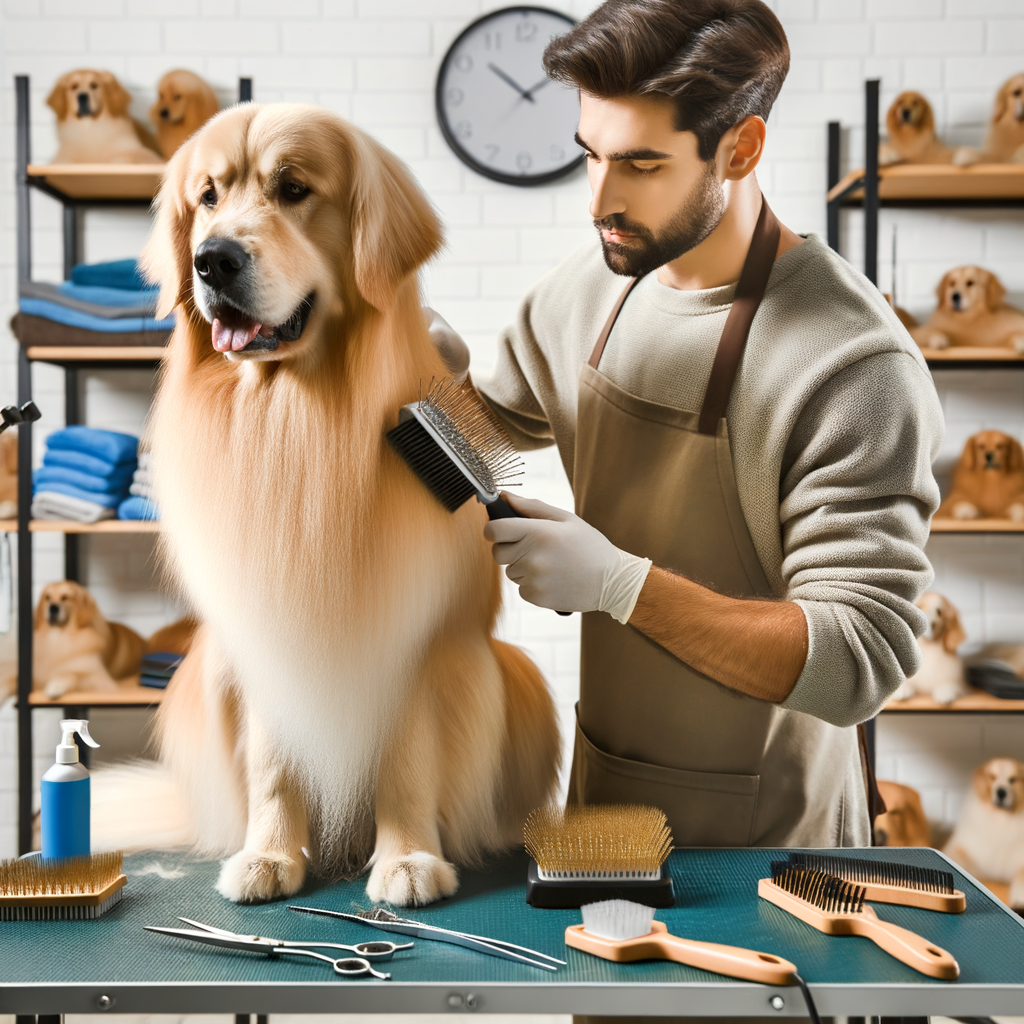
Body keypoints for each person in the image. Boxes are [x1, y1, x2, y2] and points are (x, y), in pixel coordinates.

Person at [432, 0, 942, 852]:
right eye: (589, 156)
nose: (601, 198)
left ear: (739, 149)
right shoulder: (586, 291)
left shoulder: (849, 363)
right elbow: (471, 438)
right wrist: (414, 375)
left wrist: (623, 586)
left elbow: (855, 659)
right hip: (608, 809)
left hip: (769, 847)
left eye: (641, 163)